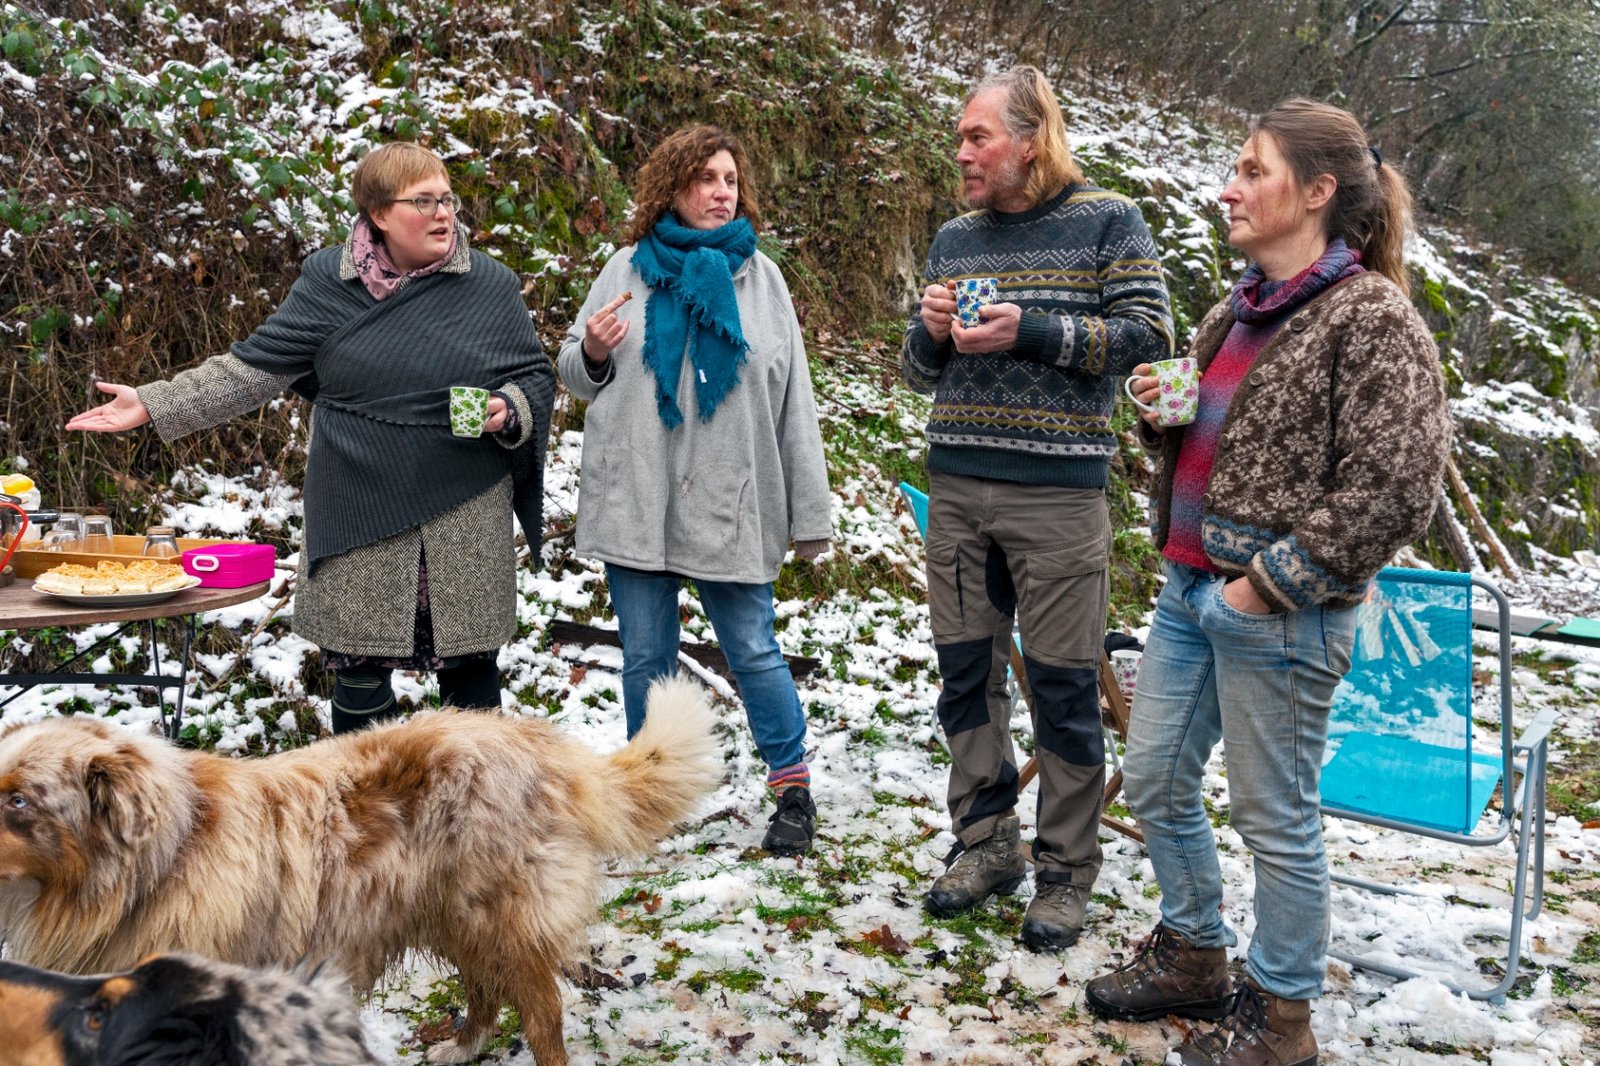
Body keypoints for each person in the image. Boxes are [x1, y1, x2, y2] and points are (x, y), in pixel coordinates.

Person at [1083, 99, 1450, 1066]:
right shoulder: (1233, 310)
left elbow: (1395, 485)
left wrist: (1271, 582)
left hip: (1279, 613)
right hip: (1186, 593)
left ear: (1318, 192)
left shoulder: (1373, 319)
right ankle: (1197, 951)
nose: (1229, 188)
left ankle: (1282, 1021)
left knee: (1274, 821)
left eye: (1252, 170)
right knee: (1157, 780)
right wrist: (1165, 423)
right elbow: (1218, 446)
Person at [67, 142, 554, 734]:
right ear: (378, 213)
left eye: (447, 198)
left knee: (471, 672)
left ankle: (481, 817)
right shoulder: (330, 282)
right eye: (423, 201)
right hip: (357, 500)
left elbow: (533, 375)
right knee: (359, 673)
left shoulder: (489, 285)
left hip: (463, 506)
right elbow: (253, 369)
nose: (443, 213)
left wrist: (509, 408)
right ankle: (370, 817)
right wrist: (152, 400)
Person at [901, 66, 1174, 949]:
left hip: (1059, 497)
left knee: (1061, 691)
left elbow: (1149, 341)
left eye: (978, 137)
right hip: (958, 488)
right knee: (965, 680)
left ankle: (1064, 873)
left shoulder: (1108, 220)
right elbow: (915, 371)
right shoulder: (954, 238)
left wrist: (1036, 329)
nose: (964, 153)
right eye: (961, 138)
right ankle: (986, 844)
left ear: (1030, 138)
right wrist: (932, 333)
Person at [557, 125, 832, 856]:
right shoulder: (625, 267)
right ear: (673, 186)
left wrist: (811, 515)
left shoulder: (762, 280)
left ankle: (792, 791)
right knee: (647, 656)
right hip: (640, 497)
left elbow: (793, 398)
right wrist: (590, 350)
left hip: (730, 496)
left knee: (753, 649)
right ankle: (649, 801)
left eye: (730, 180)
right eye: (706, 178)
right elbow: (575, 374)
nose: (720, 192)